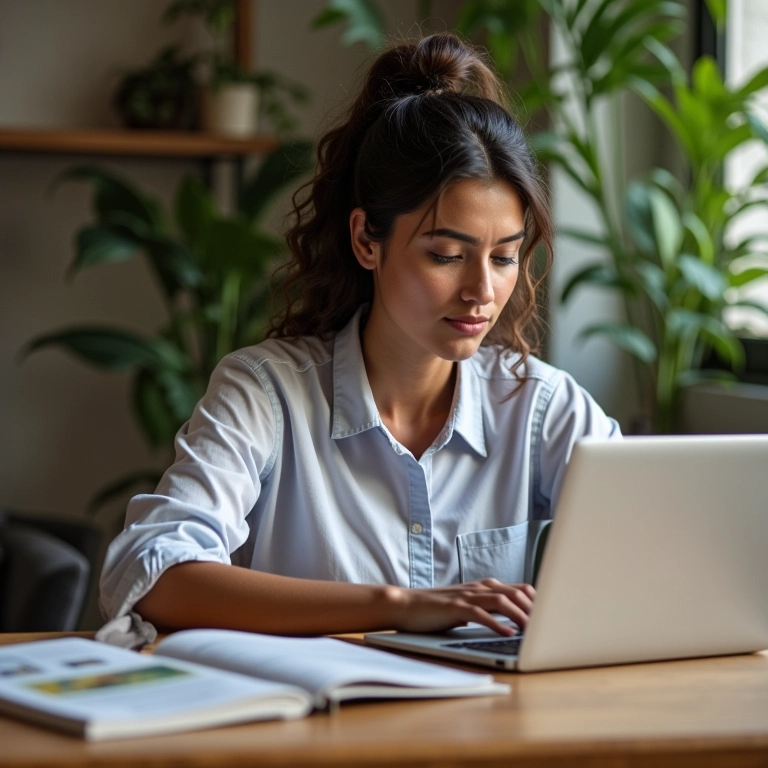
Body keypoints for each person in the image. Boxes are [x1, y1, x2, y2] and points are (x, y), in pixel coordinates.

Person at [99, 32, 620, 638]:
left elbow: (662, 548)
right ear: (367, 240)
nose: (482, 290)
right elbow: (153, 574)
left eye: (504, 257)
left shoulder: (542, 407)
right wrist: (398, 606)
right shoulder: (266, 393)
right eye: (447, 255)